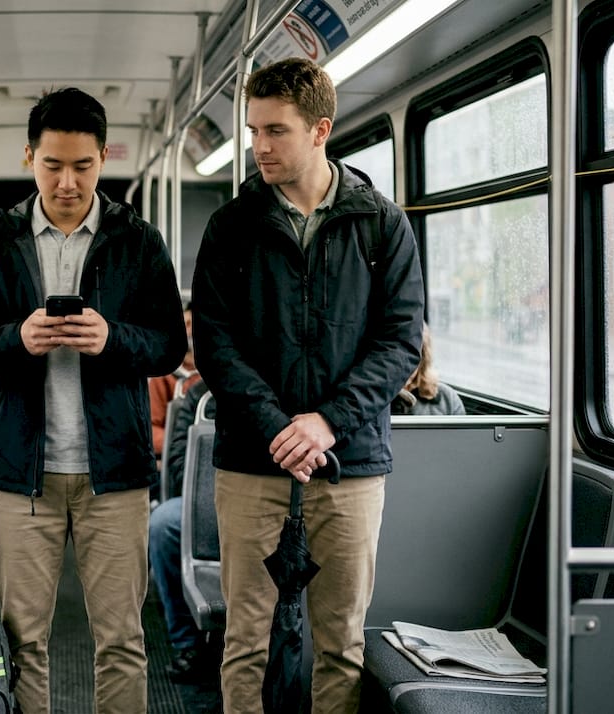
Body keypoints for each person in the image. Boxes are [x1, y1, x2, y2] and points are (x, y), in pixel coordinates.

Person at [191, 57, 424, 713]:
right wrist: (278, 427)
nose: (260, 146)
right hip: (251, 457)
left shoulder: (381, 224)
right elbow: (216, 342)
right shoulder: (232, 227)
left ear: (320, 129)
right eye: (254, 130)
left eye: (276, 131)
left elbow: (400, 340)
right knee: (246, 640)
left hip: (348, 459)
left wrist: (323, 422)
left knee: (340, 641)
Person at [0, 87, 187, 714]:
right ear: (29, 157)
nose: (67, 181)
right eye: (53, 165)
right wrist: (16, 338)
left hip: (115, 472)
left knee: (123, 640)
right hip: (20, 470)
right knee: (24, 640)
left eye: (83, 166)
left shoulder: (137, 240)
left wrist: (111, 339)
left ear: (104, 158)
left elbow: (169, 346)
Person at [148, 376, 217, 683]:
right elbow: (179, 464)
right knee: (164, 523)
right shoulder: (200, 397)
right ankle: (186, 643)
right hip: (208, 500)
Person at [149, 302, 201, 460]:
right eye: (185, 324)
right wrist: (182, 445)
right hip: (175, 456)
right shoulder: (164, 375)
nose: (189, 330)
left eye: (193, 324)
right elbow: (151, 427)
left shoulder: (219, 374)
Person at [391, 323, 465, 417]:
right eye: (395, 357)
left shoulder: (447, 399)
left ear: (423, 359)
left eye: (411, 357)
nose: (404, 366)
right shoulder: (374, 399)